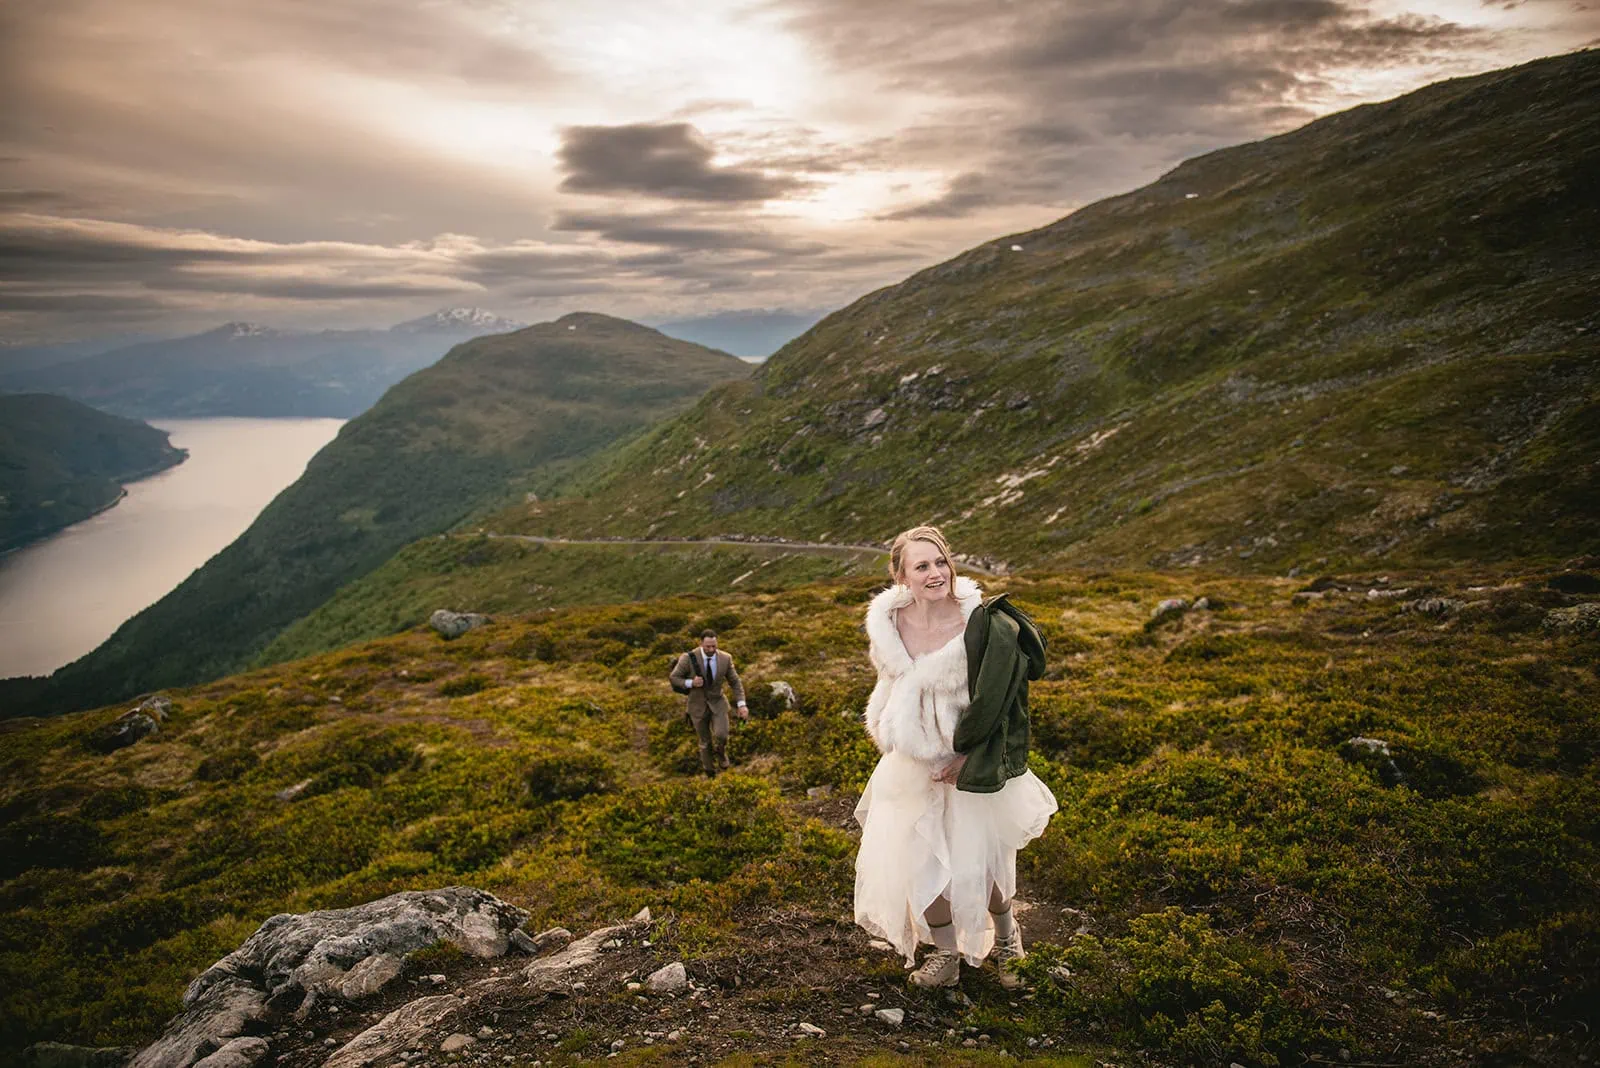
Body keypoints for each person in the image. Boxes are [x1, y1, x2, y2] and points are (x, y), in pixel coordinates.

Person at [854, 525, 1058, 989]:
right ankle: (944, 953)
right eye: (921, 566)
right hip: (912, 766)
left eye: (941, 561)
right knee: (915, 859)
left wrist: (969, 758)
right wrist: (893, 733)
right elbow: (890, 686)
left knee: (980, 861)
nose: (935, 573)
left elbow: (1006, 704)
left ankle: (1006, 938)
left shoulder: (983, 625)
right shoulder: (888, 624)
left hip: (970, 762)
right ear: (901, 576)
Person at [670, 630, 748, 777]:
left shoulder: (725, 658)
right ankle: (709, 771)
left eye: (714, 646)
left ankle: (721, 754)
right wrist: (690, 682)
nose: (711, 650)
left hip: (718, 702)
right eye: (708, 647)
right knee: (705, 742)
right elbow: (674, 678)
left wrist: (742, 704)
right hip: (696, 705)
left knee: (722, 735)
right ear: (701, 644)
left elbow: (735, 682)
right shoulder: (687, 658)